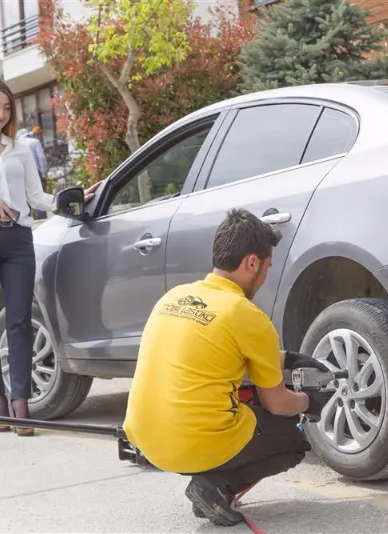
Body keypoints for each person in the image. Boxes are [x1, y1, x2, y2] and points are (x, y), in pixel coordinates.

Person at [122, 208, 333, 526]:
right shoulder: (247, 314)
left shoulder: (174, 297)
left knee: (242, 405)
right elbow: (278, 404)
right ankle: (216, 486)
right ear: (252, 262)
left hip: (147, 441)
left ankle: (211, 485)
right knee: (292, 438)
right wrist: (310, 402)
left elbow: (218, 351)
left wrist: (288, 359)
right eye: (267, 267)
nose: (265, 276)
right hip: (192, 445)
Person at [0, 79, 100, 436]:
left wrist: (70, 199)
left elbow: (35, 196)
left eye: (6, 108)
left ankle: (21, 403)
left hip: (17, 242)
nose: (1, 114)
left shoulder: (21, 149)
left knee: (19, 322)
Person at [16, 127, 49, 218]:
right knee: (38, 196)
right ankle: (42, 218)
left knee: (24, 197)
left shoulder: (15, 145)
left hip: (20, 174)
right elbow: (41, 158)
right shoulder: (34, 142)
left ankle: (27, 218)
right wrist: (43, 173)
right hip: (35, 172)